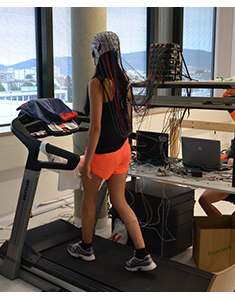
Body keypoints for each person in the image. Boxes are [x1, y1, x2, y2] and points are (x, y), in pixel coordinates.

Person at [67, 31, 157, 272]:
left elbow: (95, 127)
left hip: (104, 153)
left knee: (89, 200)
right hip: (123, 149)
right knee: (119, 201)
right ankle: (142, 254)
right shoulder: (124, 80)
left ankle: (85, 248)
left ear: (97, 53)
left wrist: (87, 163)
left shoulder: (97, 84)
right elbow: (127, 122)